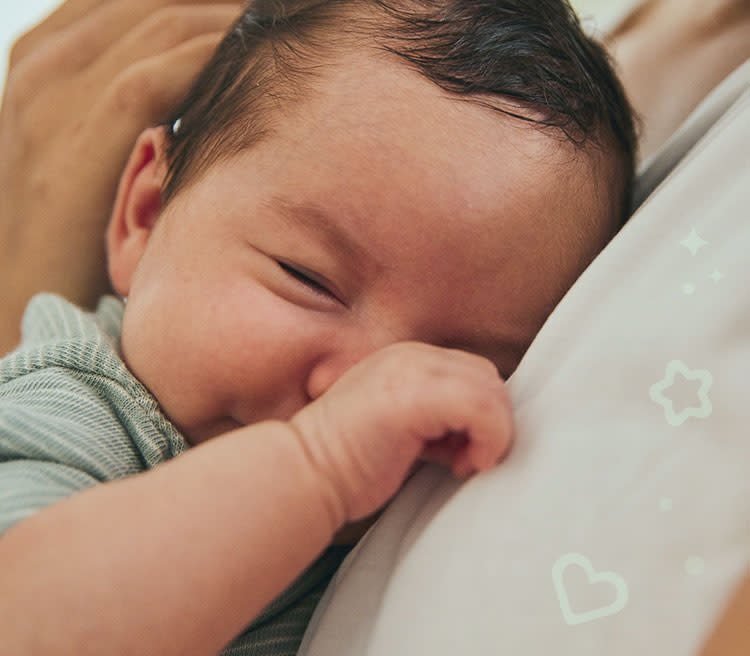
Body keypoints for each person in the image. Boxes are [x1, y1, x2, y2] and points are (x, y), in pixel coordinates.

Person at [0, 1, 637, 654]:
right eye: (308, 279)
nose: (365, 388)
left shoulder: (393, 539)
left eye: (455, 360)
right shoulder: (77, 400)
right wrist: (317, 468)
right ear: (148, 212)